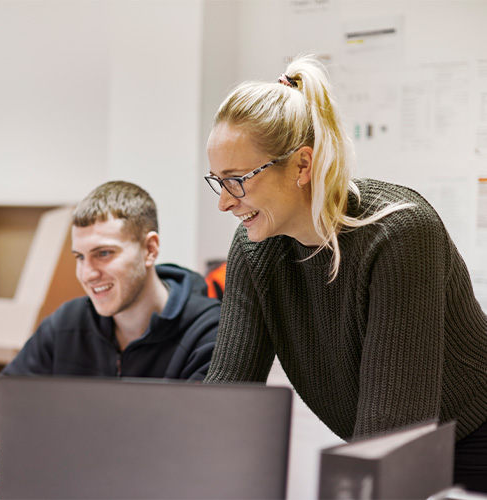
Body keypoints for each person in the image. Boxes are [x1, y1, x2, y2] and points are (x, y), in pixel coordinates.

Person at [203, 55, 487, 492]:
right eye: (217, 181)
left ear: (302, 165)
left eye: (237, 179)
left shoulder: (398, 233)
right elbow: (225, 405)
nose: (224, 202)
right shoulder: (254, 248)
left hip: (473, 443)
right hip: (407, 455)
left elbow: (389, 435)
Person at [0, 180, 221, 475]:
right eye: (80, 257)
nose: (87, 274)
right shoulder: (66, 323)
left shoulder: (209, 334)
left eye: (104, 253)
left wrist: (49, 448)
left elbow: (188, 455)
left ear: (150, 249)